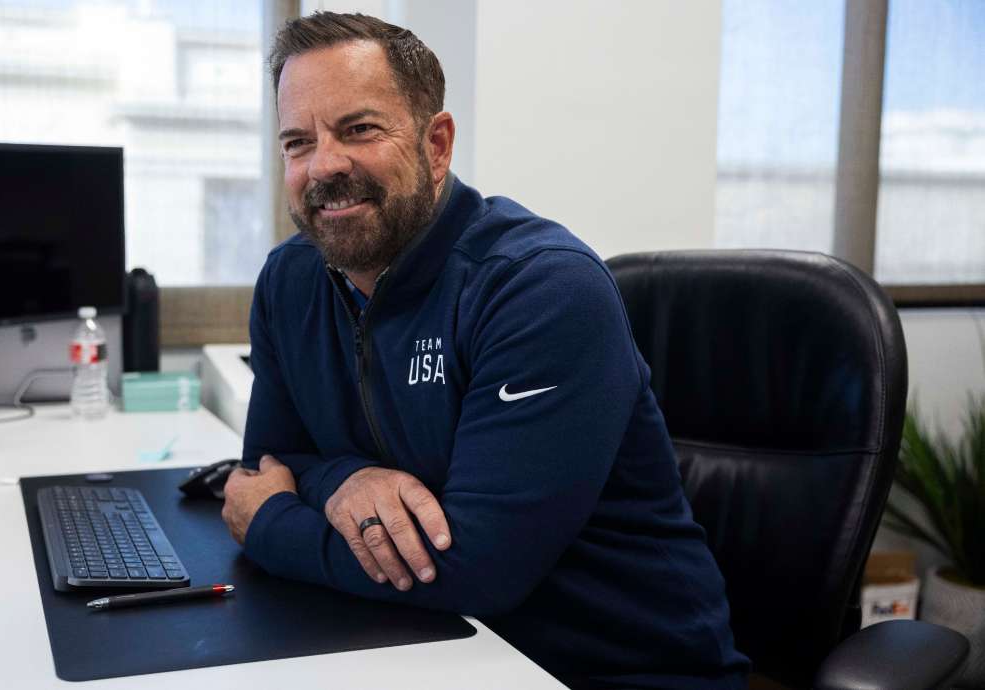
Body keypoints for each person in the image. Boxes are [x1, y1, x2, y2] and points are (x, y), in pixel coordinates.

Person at [219, 12, 750, 689]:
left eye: (359, 129)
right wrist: (347, 478)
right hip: (427, 651)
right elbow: (270, 463)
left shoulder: (541, 288)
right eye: (298, 142)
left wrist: (269, 524)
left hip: (613, 671)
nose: (324, 165)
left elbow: (477, 566)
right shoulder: (289, 281)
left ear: (437, 144)